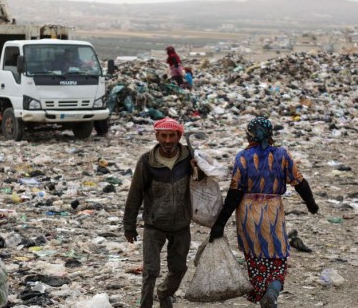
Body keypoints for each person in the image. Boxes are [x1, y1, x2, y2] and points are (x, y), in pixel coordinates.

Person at [209, 116, 319, 308]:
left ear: (249, 135)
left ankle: (265, 296)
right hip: (272, 211)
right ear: (270, 135)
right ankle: (273, 292)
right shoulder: (282, 155)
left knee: (255, 258)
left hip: (247, 212)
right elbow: (300, 182)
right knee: (277, 258)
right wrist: (311, 204)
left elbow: (234, 194)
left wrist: (220, 224)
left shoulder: (242, 157)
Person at [123, 117, 203, 308]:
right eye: (164, 136)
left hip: (181, 226)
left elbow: (204, 182)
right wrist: (129, 225)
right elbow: (135, 194)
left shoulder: (189, 158)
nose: (167, 141)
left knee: (178, 269)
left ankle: (165, 293)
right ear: (157, 136)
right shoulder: (146, 161)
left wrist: (199, 167)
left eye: (171, 136)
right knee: (150, 271)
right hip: (154, 225)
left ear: (179, 136)